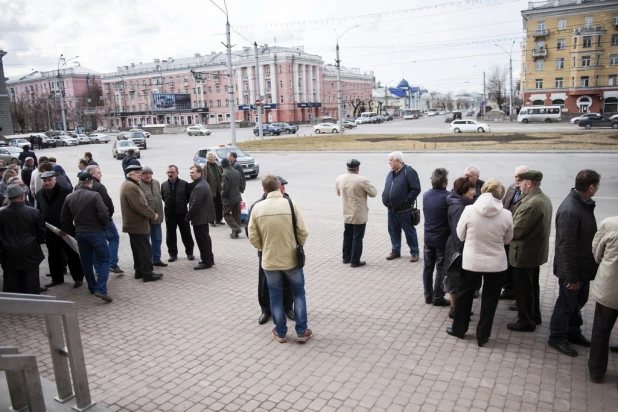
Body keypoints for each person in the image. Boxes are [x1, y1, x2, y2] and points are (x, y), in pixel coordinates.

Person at [446, 179, 514, 347]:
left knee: (464, 296)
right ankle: (483, 335)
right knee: (490, 300)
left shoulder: (469, 210)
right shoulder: (506, 214)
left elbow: (460, 235)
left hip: (472, 261)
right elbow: (508, 240)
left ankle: (459, 329)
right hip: (496, 263)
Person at [248, 174, 311, 343]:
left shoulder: (257, 208)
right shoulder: (291, 204)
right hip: (291, 259)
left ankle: (281, 333)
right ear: (278, 186)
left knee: (275, 296)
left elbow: (252, 236)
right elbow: (303, 231)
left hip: (269, 261)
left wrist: (264, 247)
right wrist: (297, 244)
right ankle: (301, 331)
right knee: (298, 293)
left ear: (264, 189)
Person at [549, 170, 601, 356]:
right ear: (591, 186)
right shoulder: (571, 209)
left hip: (581, 268)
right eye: (597, 186)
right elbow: (566, 246)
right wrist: (571, 276)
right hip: (571, 271)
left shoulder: (582, 204)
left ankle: (573, 332)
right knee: (565, 305)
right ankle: (556, 337)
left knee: (578, 301)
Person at [507, 170, 553, 332]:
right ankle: (534, 315)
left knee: (523, 289)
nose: (518, 185)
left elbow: (516, 230)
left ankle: (525, 320)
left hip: (524, 254)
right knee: (532, 286)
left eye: (521, 182)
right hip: (534, 253)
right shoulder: (542, 199)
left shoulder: (532, 203)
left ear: (529, 183)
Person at [246, 176, 295, 324]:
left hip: (287, 251)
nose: (283, 190)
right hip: (267, 252)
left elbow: (298, 228)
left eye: (284, 187)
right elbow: (250, 232)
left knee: (287, 281)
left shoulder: (289, 204)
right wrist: (262, 246)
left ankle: (288, 307)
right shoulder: (258, 205)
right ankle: (265, 309)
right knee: (265, 282)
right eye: (281, 187)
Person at [60, 173, 112, 302]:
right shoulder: (94, 195)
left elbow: (64, 219)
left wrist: (73, 232)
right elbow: (104, 213)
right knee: (105, 259)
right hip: (95, 231)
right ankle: (101, 289)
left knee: (86, 261)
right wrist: (103, 225)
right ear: (91, 183)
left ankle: (92, 286)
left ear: (79, 183)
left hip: (80, 232)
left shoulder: (69, 197)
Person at [36, 171, 85, 289]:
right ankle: (57, 278)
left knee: (71, 254)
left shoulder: (66, 191)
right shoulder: (39, 194)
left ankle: (78, 278)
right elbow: (39, 212)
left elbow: (73, 211)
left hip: (66, 229)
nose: (47, 183)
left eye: (49, 180)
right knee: (53, 255)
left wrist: (67, 228)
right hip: (50, 231)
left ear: (55, 180)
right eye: (45, 181)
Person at [119, 164, 163, 282]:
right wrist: (153, 215)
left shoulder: (130, 184)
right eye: (138, 172)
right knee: (144, 249)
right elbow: (139, 206)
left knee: (138, 249)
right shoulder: (130, 186)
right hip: (138, 224)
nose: (140, 174)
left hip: (134, 224)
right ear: (130, 174)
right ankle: (147, 273)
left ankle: (139, 271)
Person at [0, 184, 46, 294]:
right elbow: (42, 233)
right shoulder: (34, 212)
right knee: (31, 279)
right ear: (22, 197)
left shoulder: (1, 213)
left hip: (8, 251)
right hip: (30, 250)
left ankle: (13, 302)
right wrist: (36, 242)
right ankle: (32, 301)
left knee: (11, 279)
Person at [588, 215, 618, 383]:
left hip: (610, 285)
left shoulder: (610, 224)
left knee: (601, 331)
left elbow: (596, 252)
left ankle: (596, 372)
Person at [443, 177, 476, 318]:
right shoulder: (459, 207)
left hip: (456, 246)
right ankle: (455, 310)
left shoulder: (459, 202)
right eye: (471, 190)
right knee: (455, 280)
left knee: (455, 279)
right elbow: (457, 232)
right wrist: (459, 251)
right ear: (463, 191)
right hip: (457, 248)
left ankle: (457, 308)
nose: (474, 192)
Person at [335, 158, 377, 268]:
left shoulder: (340, 178)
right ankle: (355, 260)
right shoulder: (362, 180)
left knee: (347, 235)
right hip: (358, 213)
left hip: (346, 212)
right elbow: (373, 193)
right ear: (358, 168)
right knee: (357, 237)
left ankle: (346, 257)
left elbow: (338, 193)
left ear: (347, 167)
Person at [382, 151, 421, 262]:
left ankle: (414, 252)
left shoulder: (409, 172)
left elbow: (416, 189)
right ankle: (395, 250)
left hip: (404, 210)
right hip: (391, 209)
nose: (389, 163)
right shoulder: (391, 173)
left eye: (391, 161)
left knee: (409, 232)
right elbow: (387, 188)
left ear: (398, 161)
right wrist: (384, 197)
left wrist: (407, 201)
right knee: (393, 231)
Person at [86, 165, 123, 274]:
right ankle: (112, 263)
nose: (100, 174)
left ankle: (97, 267)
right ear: (92, 174)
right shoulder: (98, 186)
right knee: (114, 238)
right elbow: (107, 203)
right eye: (98, 172)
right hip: (103, 220)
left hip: (91, 222)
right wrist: (108, 216)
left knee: (96, 245)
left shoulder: (80, 187)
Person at [500, 165, 530, 302]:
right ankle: (508, 289)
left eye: (520, 177)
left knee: (516, 267)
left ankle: (517, 298)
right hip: (506, 231)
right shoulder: (511, 188)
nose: (517, 179)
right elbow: (505, 205)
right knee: (507, 263)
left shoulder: (528, 193)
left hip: (518, 233)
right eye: (515, 176)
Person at [422, 168, 451, 306]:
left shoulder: (426, 195)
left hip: (428, 237)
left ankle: (428, 295)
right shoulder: (448, 197)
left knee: (428, 267)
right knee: (440, 268)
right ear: (444, 183)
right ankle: (438, 297)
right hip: (442, 239)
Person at [161, 165, 195, 262]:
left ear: (177, 173)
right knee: (170, 235)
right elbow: (163, 197)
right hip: (169, 214)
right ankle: (172, 254)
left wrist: (182, 205)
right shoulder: (164, 185)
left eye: (172, 172)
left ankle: (189, 252)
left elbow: (189, 197)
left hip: (182, 213)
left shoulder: (184, 184)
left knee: (186, 233)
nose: (170, 174)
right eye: (168, 172)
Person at [186, 165, 216, 270]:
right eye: (190, 172)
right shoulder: (202, 183)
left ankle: (206, 261)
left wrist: (188, 217)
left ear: (199, 173)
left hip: (200, 218)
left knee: (202, 240)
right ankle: (209, 259)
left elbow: (195, 205)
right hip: (203, 217)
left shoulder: (199, 187)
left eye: (193, 172)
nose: (191, 174)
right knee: (205, 239)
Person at [139, 166, 167, 267]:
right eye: (145, 174)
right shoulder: (139, 185)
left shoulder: (156, 183)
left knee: (157, 239)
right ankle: (148, 261)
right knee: (147, 241)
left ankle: (156, 259)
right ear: (141, 175)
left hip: (157, 217)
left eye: (150, 173)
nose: (148, 175)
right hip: (146, 219)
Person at [220, 158, 242, 239]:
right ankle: (235, 233)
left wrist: (222, 196)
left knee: (225, 214)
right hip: (237, 196)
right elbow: (241, 184)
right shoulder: (236, 172)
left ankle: (236, 229)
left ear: (222, 166)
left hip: (229, 198)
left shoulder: (225, 174)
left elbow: (224, 188)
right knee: (236, 214)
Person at [205, 152, 224, 226]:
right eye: (213, 157)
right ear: (209, 158)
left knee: (220, 205)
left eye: (215, 157)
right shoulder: (205, 167)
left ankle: (218, 219)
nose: (215, 158)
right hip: (211, 190)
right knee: (211, 206)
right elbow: (204, 179)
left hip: (219, 189)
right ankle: (211, 221)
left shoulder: (218, 166)